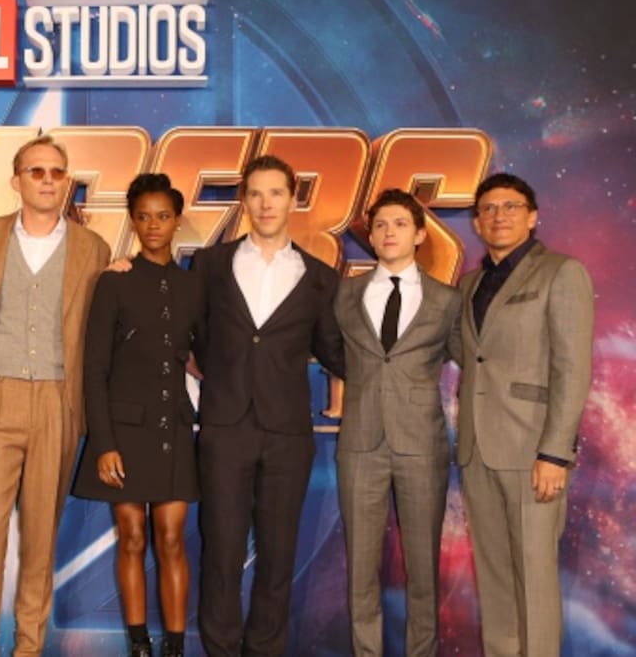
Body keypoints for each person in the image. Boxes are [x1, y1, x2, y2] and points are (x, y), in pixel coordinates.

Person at [0, 135, 111, 656]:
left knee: (40, 536)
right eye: (36, 171)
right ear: (16, 180)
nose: (48, 180)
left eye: (56, 172)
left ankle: (29, 648)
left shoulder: (94, 249)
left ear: (67, 181)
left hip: (57, 402)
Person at [191, 154, 344, 656]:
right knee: (221, 552)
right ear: (244, 200)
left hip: (287, 435)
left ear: (293, 199)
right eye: (255, 193)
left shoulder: (320, 277)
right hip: (225, 428)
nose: (265, 203)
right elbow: (195, 336)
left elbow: (334, 350)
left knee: (278, 557)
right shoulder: (210, 265)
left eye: (276, 192)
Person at [456, 173, 593, 657]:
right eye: (489, 209)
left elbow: (572, 369)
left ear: (533, 217)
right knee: (495, 580)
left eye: (511, 206)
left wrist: (555, 453)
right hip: (477, 450)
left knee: (534, 580)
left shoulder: (562, 272)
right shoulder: (470, 284)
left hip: (533, 452)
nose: (499, 216)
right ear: (477, 223)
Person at [71, 173, 202, 657]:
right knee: (130, 537)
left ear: (177, 220)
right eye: (143, 216)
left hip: (173, 429)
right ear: (132, 220)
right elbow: (95, 368)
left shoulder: (194, 286)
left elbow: (206, 352)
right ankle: (139, 645)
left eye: (163, 216)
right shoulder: (115, 281)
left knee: (171, 539)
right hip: (123, 433)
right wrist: (103, 443)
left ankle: (174, 646)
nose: (153, 225)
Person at [334, 189, 460, 657]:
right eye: (381, 225)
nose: (389, 232)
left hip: (422, 445)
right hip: (360, 445)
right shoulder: (344, 295)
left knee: (423, 568)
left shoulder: (447, 300)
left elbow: (471, 360)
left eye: (400, 224)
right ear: (371, 235)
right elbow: (332, 351)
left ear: (420, 235)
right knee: (361, 568)